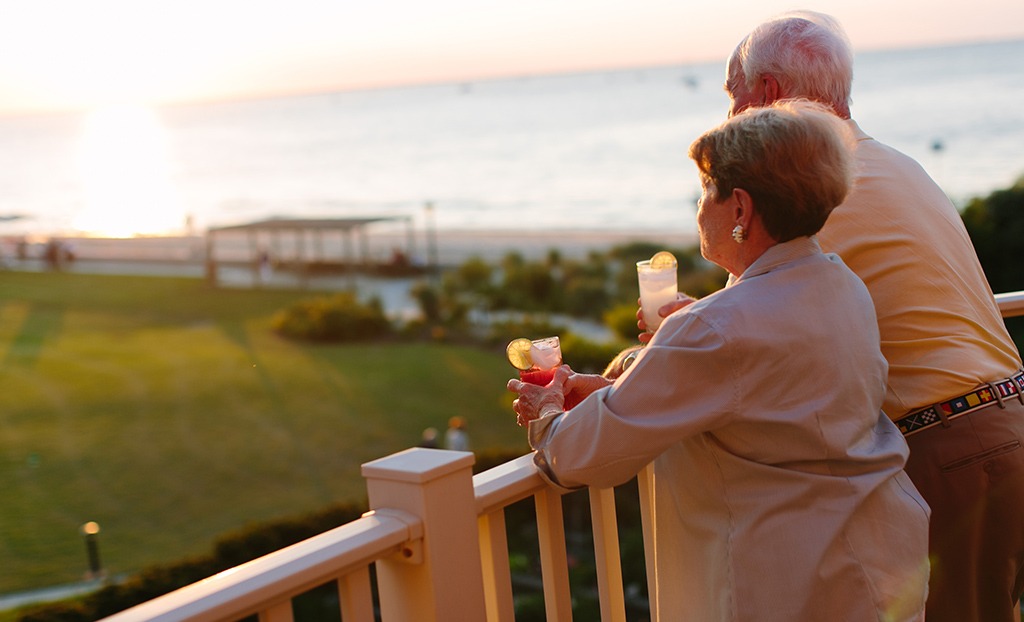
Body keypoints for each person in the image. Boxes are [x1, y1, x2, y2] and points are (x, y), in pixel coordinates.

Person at [641, 13, 1024, 621]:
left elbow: (736, 340)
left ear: (765, 95)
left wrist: (641, 362)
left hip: (945, 450)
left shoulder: (806, 192)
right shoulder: (897, 164)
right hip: (1006, 426)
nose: (729, 111)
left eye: (730, 94)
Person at [509, 100, 930, 621]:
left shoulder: (716, 327)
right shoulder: (842, 285)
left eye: (706, 189)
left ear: (741, 210)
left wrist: (549, 412)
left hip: (787, 587)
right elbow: (758, 393)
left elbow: (580, 457)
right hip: (876, 559)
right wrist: (622, 384)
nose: (699, 205)